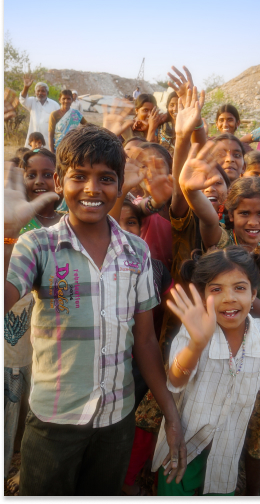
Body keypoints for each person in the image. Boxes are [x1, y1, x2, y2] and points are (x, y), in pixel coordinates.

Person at [4, 124, 186, 497]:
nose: (92, 189)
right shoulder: (37, 246)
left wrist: (170, 410)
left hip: (115, 421)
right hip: (53, 421)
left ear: (120, 186)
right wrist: (6, 234)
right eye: (79, 177)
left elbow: (146, 342)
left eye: (105, 178)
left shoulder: (136, 252)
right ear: (59, 181)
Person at [152, 245, 260, 496]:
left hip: (225, 453)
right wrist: (196, 344)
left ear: (254, 294)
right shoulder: (193, 332)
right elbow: (175, 378)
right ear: (202, 295)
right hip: (183, 448)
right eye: (216, 289)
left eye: (239, 287)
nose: (229, 298)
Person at [5, 148, 62, 495]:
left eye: (47, 174)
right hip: (15, 339)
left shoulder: (72, 221)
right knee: (11, 403)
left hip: (55, 340)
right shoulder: (12, 219)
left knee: (37, 412)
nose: (40, 181)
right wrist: (8, 233)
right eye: (32, 174)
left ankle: (26, 467)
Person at [118, 198, 174, 496]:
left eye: (132, 223)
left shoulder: (154, 267)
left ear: (143, 228)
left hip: (143, 360)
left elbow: (173, 302)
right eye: (120, 221)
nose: (125, 230)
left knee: (133, 417)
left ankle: (128, 472)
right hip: (109, 359)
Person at [178, 144, 260, 321]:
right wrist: (189, 190)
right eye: (244, 213)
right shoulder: (222, 241)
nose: (253, 222)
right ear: (231, 214)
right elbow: (208, 219)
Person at [19, 77, 60, 149]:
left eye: (43, 91)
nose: (40, 93)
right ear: (35, 92)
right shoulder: (32, 101)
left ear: (47, 93)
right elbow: (23, 100)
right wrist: (26, 87)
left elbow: (60, 122)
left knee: (47, 158)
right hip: (33, 141)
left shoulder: (55, 105)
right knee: (32, 158)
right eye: (38, 91)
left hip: (48, 141)